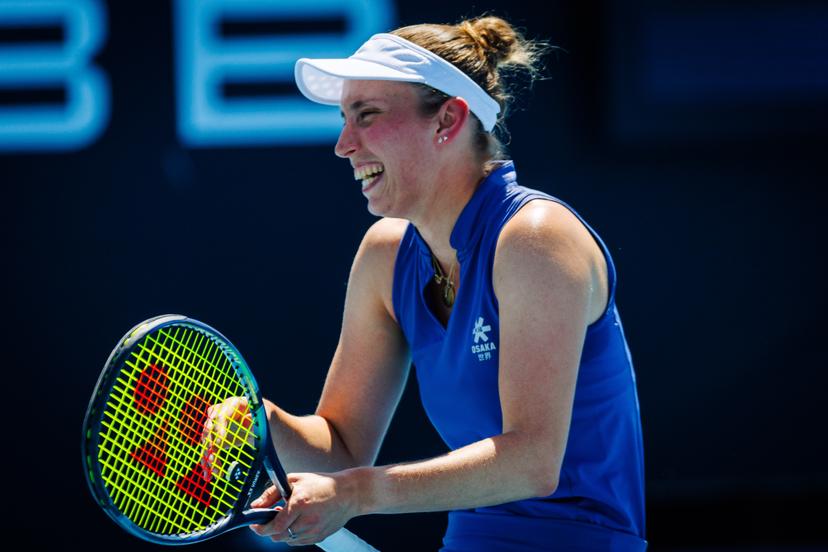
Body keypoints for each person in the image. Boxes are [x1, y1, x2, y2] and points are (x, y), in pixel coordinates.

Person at [207, 16, 646, 551]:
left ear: (448, 119)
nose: (344, 144)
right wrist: (260, 420)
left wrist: (355, 493)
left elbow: (533, 463)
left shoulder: (535, 238)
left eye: (366, 115)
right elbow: (341, 450)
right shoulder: (385, 255)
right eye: (345, 119)